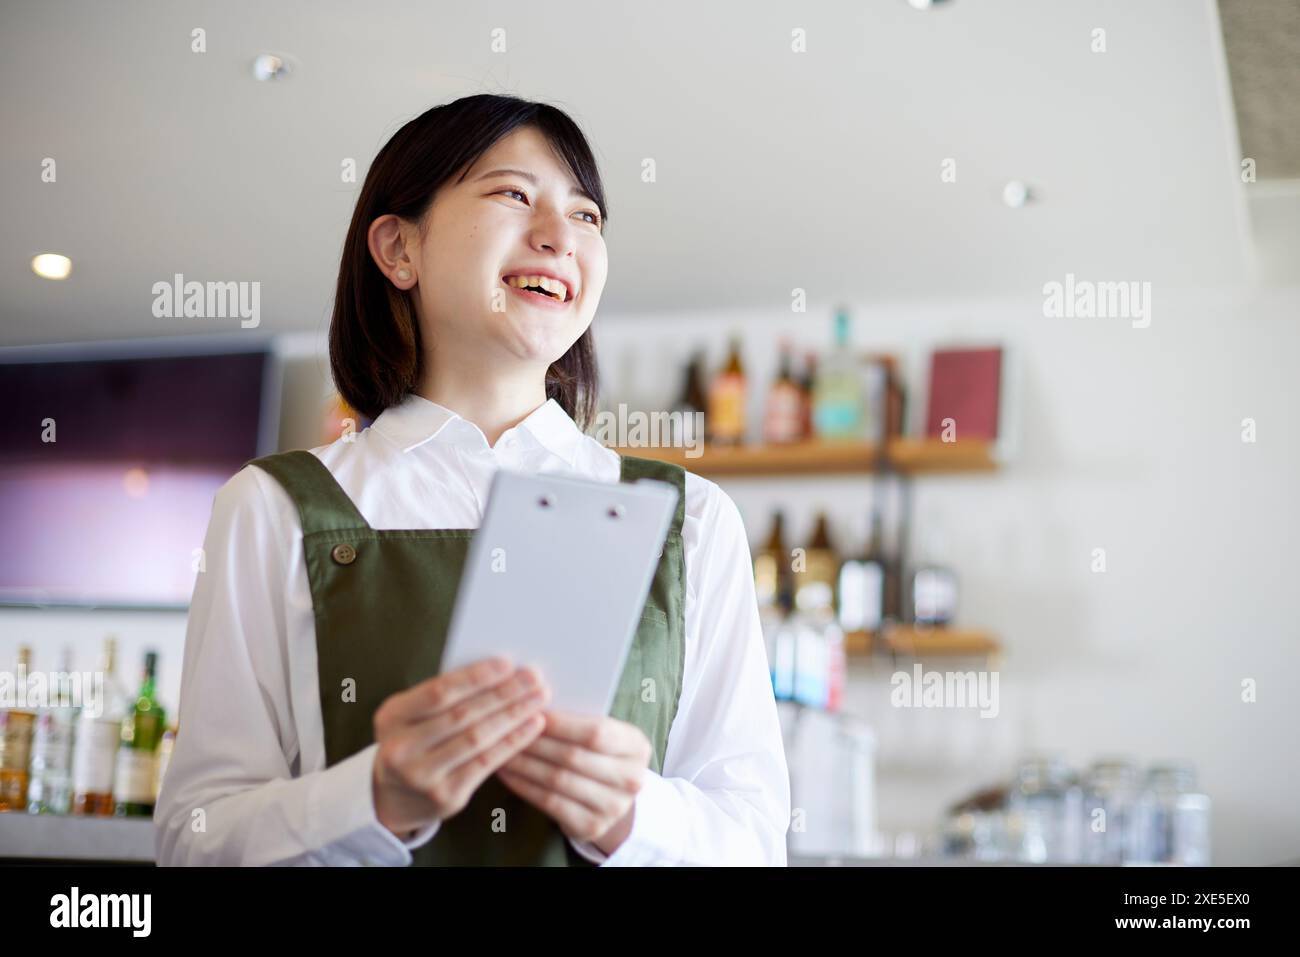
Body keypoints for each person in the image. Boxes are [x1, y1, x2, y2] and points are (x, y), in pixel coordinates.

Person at [155, 94, 789, 866]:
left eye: (586, 216)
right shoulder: (272, 506)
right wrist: (374, 797)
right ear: (398, 249)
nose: (560, 237)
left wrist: (634, 816)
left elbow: (753, 841)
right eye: (514, 195)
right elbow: (194, 838)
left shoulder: (689, 519)